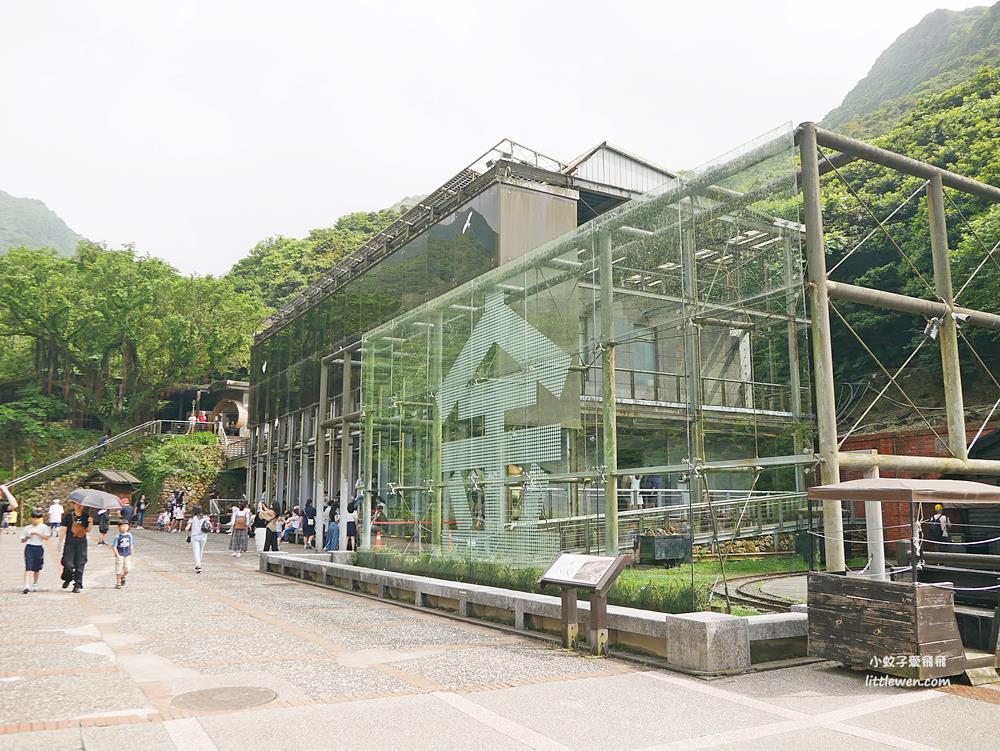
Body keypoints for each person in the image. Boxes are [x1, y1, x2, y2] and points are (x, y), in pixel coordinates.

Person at [61, 502, 90, 592]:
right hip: (70, 543)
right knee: (67, 563)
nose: (79, 506)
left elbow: (88, 530)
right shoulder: (68, 516)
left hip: (81, 543)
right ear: (74, 505)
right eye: (77, 504)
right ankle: (68, 577)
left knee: (80, 563)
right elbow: (64, 529)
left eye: (81, 504)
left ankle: (77, 584)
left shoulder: (86, 516)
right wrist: (59, 543)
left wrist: (91, 522)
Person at [21, 508, 51, 593]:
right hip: (29, 547)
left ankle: (35, 583)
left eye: (37, 518)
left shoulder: (44, 527)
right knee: (28, 567)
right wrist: (28, 537)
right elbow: (22, 540)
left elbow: (47, 537)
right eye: (34, 518)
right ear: (31, 518)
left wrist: (39, 534)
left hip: (39, 547)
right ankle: (26, 585)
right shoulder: (27, 528)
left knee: (36, 568)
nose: (35, 520)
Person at [186, 506, 211, 573]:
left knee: (196, 552)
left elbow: (187, 528)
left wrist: (187, 536)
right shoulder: (205, 517)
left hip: (194, 536)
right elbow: (210, 526)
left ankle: (198, 566)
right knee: (201, 550)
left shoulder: (192, 518)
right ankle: (199, 564)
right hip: (203, 536)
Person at [111, 520, 135, 589]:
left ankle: (123, 576)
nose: (124, 528)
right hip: (120, 554)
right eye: (122, 526)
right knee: (119, 568)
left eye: (126, 526)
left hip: (127, 554)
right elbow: (114, 546)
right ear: (118, 527)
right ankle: (118, 582)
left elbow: (131, 544)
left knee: (127, 569)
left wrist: (132, 552)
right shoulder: (117, 536)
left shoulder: (129, 535)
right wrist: (117, 555)